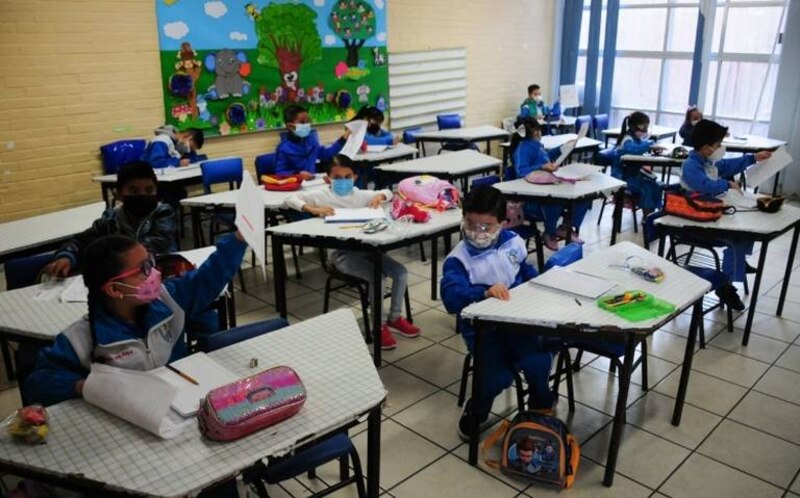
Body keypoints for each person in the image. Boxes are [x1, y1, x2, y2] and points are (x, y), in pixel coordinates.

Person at [23, 229, 248, 407]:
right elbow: (39, 383)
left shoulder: (169, 301)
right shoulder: (82, 338)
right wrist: (86, 386)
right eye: (143, 269)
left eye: (150, 262)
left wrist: (238, 239)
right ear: (114, 289)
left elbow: (208, 278)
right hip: (128, 419)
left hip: (180, 403)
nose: (154, 273)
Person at [440, 186, 555, 440]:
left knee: (538, 360)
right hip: (483, 330)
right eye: (470, 224)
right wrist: (482, 293)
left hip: (518, 320)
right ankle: (476, 413)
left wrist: (536, 284)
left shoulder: (512, 241)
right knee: (495, 377)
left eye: (487, 227)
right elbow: (450, 298)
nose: (477, 233)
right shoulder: (458, 260)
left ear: (502, 224)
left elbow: (522, 269)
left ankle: (540, 403)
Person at [285, 154, 421, 349]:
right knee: (378, 279)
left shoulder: (358, 194)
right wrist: (312, 209)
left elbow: (390, 192)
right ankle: (379, 325)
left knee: (401, 272)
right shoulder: (322, 196)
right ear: (327, 179)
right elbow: (290, 198)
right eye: (337, 178)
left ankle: (395, 318)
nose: (343, 181)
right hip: (341, 256)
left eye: (347, 176)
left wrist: (379, 197)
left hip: (367, 250)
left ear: (355, 177)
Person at [680, 119, 772, 306]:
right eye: (718, 145)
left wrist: (753, 158)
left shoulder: (709, 162)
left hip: (710, 215)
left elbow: (728, 166)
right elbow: (704, 186)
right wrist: (726, 184)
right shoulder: (691, 165)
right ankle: (726, 285)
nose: (721, 148)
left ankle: (736, 268)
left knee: (747, 231)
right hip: (695, 223)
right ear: (706, 147)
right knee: (736, 238)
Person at [44, 161, 176, 278]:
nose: (143, 195)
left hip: (162, 272)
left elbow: (160, 241)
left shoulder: (162, 212)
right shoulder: (111, 219)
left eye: (149, 190)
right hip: (125, 277)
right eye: (134, 191)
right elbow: (81, 241)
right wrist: (66, 257)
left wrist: (115, 254)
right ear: (118, 194)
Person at [510, 116, 591, 250]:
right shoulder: (523, 148)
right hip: (531, 198)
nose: (538, 133)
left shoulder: (535, 144)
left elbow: (545, 156)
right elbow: (521, 171)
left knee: (583, 197)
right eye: (536, 130)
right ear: (530, 133)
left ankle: (566, 227)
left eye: (538, 129)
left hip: (546, 186)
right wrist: (542, 167)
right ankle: (549, 233)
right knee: (555, 202)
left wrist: (563, 148)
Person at [274, 104, 350, 180]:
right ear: (290, 126)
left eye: (308, 121)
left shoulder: (311, 141)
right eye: (302, 122)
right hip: (295, 185)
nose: (307, 125)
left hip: (312, 183)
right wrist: (297, 174)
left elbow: (326, 154)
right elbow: (280, 173)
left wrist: (343, 139)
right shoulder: (283, 148)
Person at [612, 111, 666, 217]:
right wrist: (649, 145)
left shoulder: (637, 139)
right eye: (642, 126)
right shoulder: (627, 139)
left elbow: (641, 147)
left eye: (646, 126)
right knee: (647, 188)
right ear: (633, 126)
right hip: (622, 177)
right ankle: (647, 218)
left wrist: (651, 148)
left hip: (634, 175)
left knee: (658, 185)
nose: (645, 129)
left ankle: (653, 215)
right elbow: (634, 150)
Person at [140, 125, 205, 169]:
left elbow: (190, 159)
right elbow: (156, 163)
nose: (189, 150)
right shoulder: (161, 141)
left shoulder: (180, 144)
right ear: (186, 136)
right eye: (190, 148)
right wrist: (178, 163)